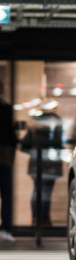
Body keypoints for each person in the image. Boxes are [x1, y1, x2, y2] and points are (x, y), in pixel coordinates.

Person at [21, 108, 64, 227]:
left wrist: (35, 148)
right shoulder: (56, 120)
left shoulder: (34, 121)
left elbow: (25, 144)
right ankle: (44, 219)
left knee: (37, 190)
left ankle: (36, 218)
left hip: (36, 159)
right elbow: (59, 142)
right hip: (51, 159)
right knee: (46, 191)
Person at [0, 82, 17, 242]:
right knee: (6, 195)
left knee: (6, 195)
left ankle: (6, 229)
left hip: (4, 157)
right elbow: (11, 135)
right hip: (4, 157)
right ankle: (6, 229)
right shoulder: (6, 109)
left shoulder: (6, 108)